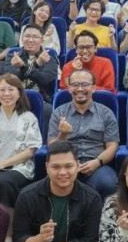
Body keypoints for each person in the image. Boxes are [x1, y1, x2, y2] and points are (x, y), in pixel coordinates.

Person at [0, 75, 41, 229]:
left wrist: (4, 163)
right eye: (2, 90)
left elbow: (31, 150)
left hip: (19, 167)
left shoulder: (28, 117)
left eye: (11, 90)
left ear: (19, 93)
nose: (6, 94)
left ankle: (7, 229)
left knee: (1, 182)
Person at [49, 69, 119, 198]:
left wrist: (97, 162)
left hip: (97, 165)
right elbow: (51, 148)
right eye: (75, 85)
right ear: (69, 88)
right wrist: (63, 135)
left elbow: (112, 145)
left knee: (108, 183)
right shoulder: (59, 113)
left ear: (93, 88)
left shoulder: (106, 113)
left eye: (85, 84)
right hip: (66, 165)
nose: (80, 88)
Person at [0, 24, 59, 113]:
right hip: (14, 97)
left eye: (35, 37)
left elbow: (44, 80)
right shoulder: (12, 56)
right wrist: (36, 64)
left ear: (42, 40)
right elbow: (10, 81)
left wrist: (23, 67)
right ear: (22, 39)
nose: (30, 40)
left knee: (47, 110)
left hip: (40, 98)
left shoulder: (49, 58)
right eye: (27, 36)